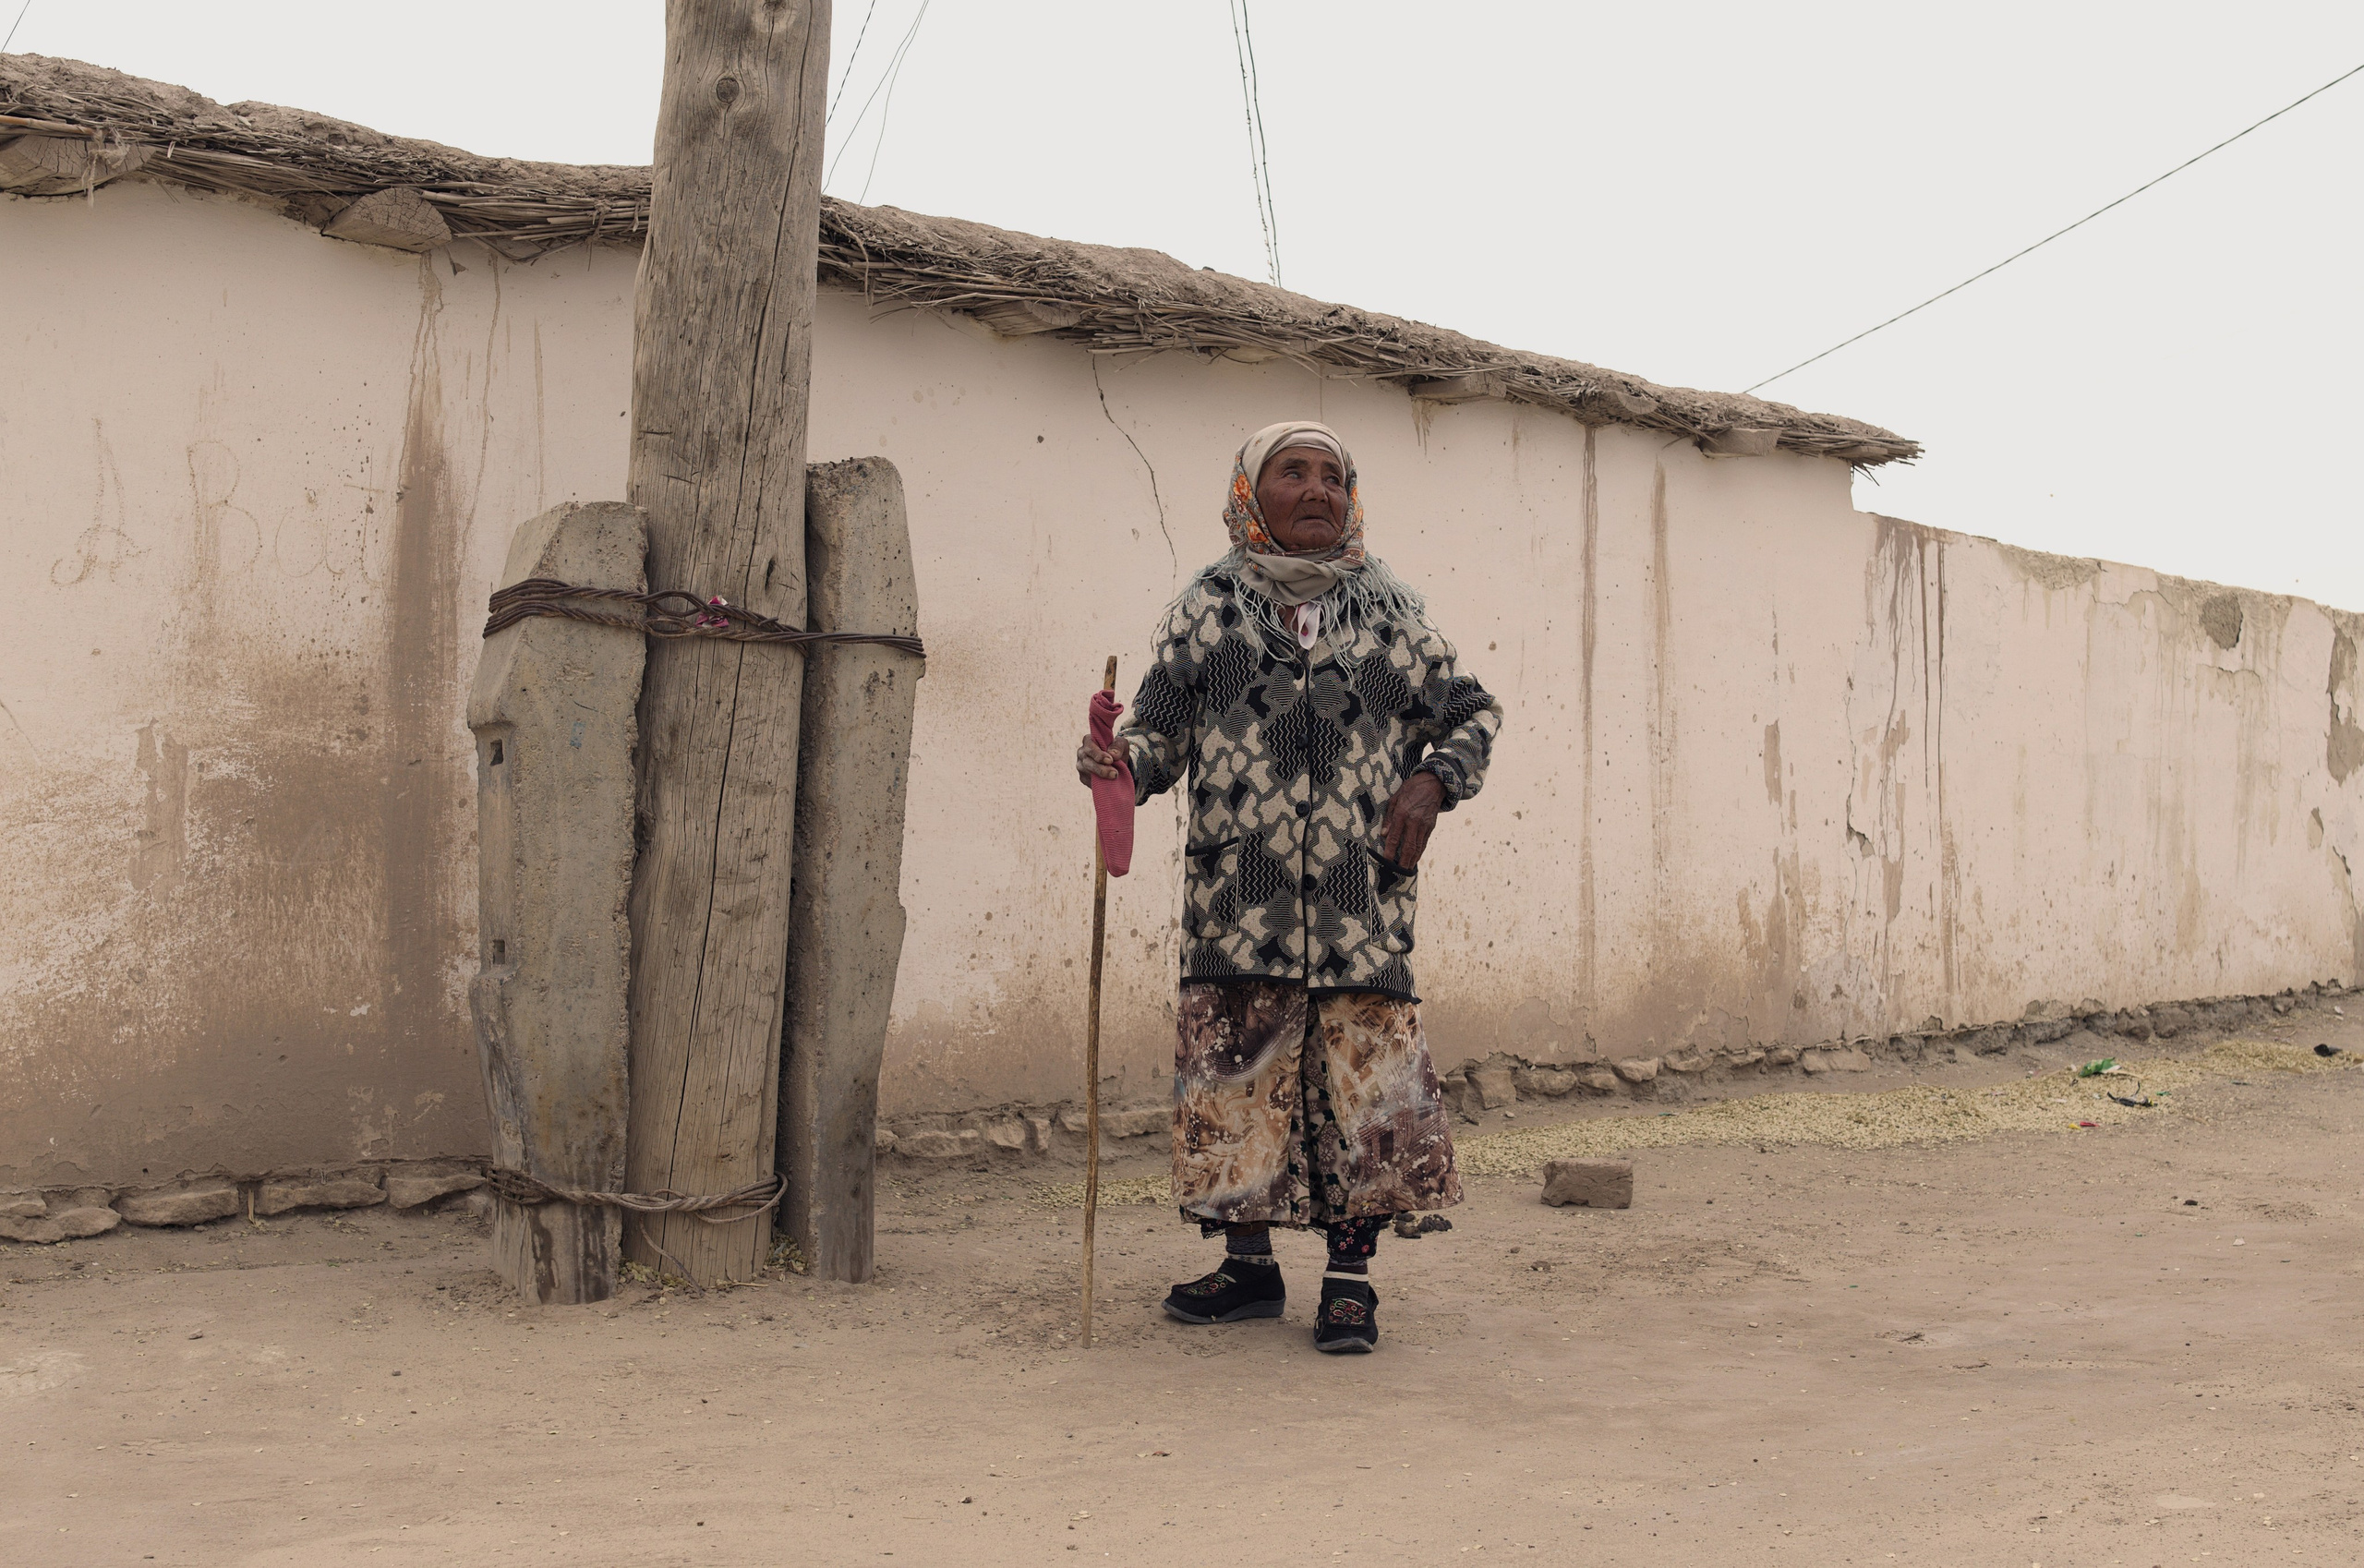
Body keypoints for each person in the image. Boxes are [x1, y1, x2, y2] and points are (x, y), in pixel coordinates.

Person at [1075, 420, 1502, 1354]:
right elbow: (1158, 741)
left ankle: (1349, 1286)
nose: (1315, 491)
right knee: (1236, 1084)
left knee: (1362, 1094)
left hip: (1361, 908)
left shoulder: (1393, 622)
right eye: (1290, 473)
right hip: (1237, 903)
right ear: (1246, 496)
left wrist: (1433, 783)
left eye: (1332, 478)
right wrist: (1116, 763)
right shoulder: (1207, 619)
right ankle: (1248, 1271)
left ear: (1353, 500)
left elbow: (1473, 714)